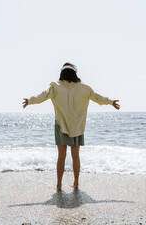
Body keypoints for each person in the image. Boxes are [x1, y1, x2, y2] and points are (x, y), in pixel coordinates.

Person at [22, 62, 120, 191]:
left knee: (61, 156)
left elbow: (42, 96)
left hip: (61, 125)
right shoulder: (84, 88)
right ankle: (76, 183)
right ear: (75, 73)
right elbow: (98, 98)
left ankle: (58, 185)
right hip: (77, 127)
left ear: (62, 73)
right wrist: (110, 102)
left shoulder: (55, 87)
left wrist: (30, 100)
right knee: (75, 155)